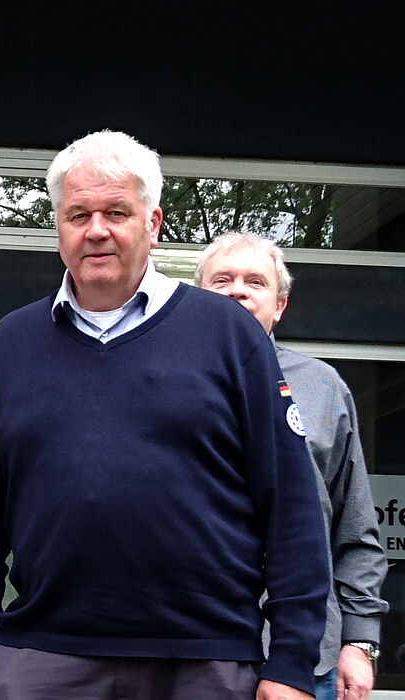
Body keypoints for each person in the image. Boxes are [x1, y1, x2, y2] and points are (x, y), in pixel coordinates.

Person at [0, 130, 330, 700]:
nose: (96, 230)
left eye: (116, 212)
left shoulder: (228, 336)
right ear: (59, 229)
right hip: (42, 660)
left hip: (206, 663)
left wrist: (293, 662)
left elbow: (292, 508)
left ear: (153, 223)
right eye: (78, 214)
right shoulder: (10, 345)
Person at [196, 231, 388, 700]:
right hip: (189, 652)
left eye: (254, 281)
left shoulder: (323, 388)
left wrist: (360, 641)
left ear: (279, 305)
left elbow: (355, 526)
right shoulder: (158, 382)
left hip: (307, 659)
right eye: (221, 280)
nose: (238, 289)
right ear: (196, 300)